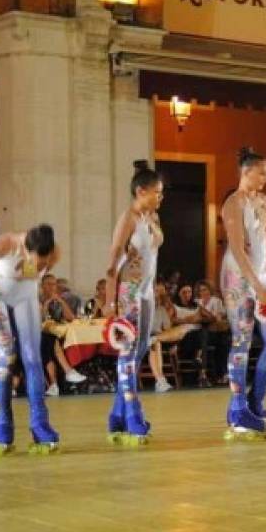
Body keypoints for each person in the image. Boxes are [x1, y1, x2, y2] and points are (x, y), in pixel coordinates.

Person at [0, 223, 62, 455]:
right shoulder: (4, 244)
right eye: (37, 260)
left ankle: (40, 425)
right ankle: (3, 425)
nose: (41, 266)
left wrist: (33, 272)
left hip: (24, 294)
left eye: (44, 263)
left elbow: (36, 273)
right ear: (26, 249)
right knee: (7, 353)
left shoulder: (53, 251)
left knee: (32, 358)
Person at [221, 146, 266, 439]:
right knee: (242, 340)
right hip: (238, 275)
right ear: (246, 172)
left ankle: (255, 400)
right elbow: (237, 247)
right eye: (262, 173)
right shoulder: (232, 204)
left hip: (260, 273)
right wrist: (257, 287)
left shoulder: (261, 199)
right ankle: (237, 409)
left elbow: (260, 232)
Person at [101, 160, 165, 445]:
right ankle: (132, 416)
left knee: (139, 351)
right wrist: (109, 303)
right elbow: (112, 262)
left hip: (147, 290)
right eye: (157, 192)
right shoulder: (127, 218)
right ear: (141, 191)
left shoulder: (153, 218)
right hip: (128, 290)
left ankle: (117, 415)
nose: (160, 197)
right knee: (128, 353)